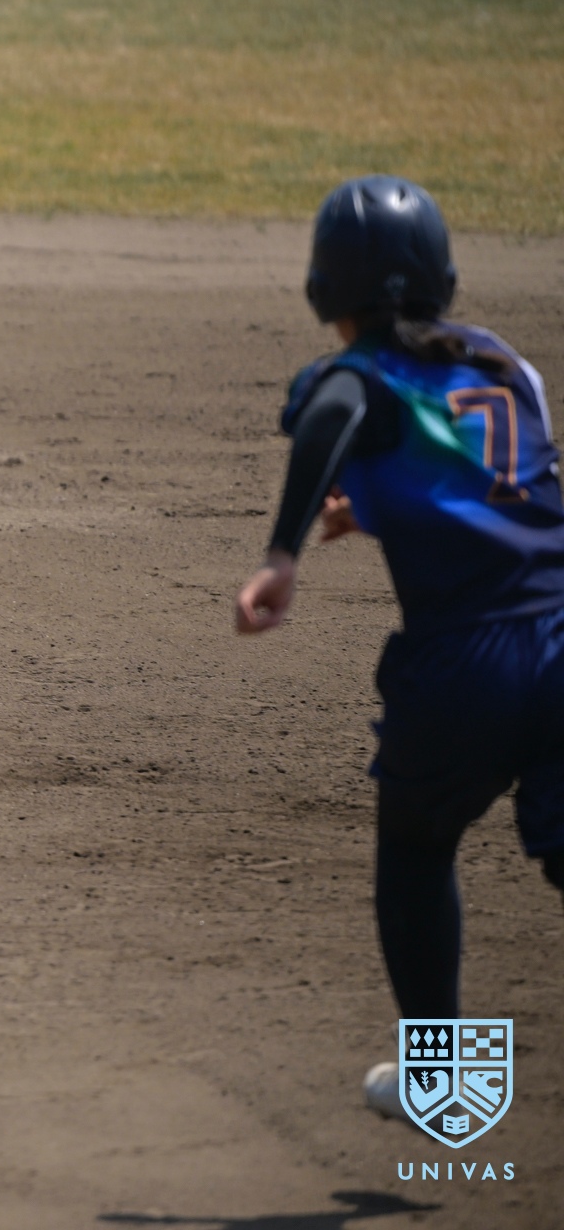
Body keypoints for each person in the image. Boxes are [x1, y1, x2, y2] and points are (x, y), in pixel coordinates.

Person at [234, 175, 564, 1117]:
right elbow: (494, 487)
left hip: (468, 661)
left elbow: (336, 413)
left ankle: (449, 1089)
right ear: (443, 278)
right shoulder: (506, 364)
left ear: (323, 289)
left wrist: (283, 554)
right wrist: (377, 507)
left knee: (417, 851)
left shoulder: (356, 373)